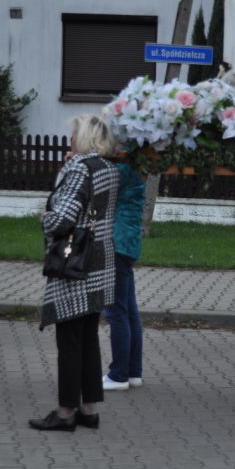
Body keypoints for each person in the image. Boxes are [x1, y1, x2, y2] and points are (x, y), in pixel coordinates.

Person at [29, 115, 119, 432]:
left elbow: (63, 218)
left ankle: (65, 412)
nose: (70, 139)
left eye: (73, 135)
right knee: (88, 338)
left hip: (74, 264)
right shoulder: (108, 168)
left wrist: (45, 217)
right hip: (99, 262)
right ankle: (89, 410)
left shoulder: (80, 168)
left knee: (69, 340)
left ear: (85, 138)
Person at [102, 161, 147, 391]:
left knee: (116, 312)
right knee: (128, 311)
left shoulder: (122, 168)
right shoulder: (137, 166)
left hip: (117, 241)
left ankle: (118, 375)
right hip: (127, 242)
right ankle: (132, 372)